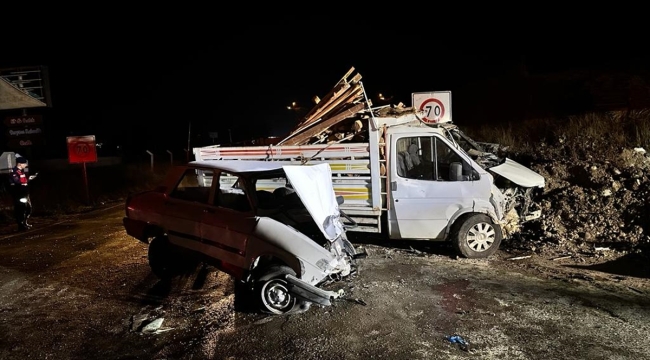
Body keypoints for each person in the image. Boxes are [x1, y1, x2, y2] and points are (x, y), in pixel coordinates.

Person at [9, 156, 37, 231]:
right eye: (24, 163)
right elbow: (17, 182)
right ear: (19, 164)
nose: (25, 165)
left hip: (24, 192)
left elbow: (24, 181)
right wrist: (25, 182)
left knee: (28, 208)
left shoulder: (21, 171)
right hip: (19, 193)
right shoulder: (14, 172)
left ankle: (24, 222)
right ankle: (20, 225)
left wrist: (29, 179)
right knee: (20, 209)